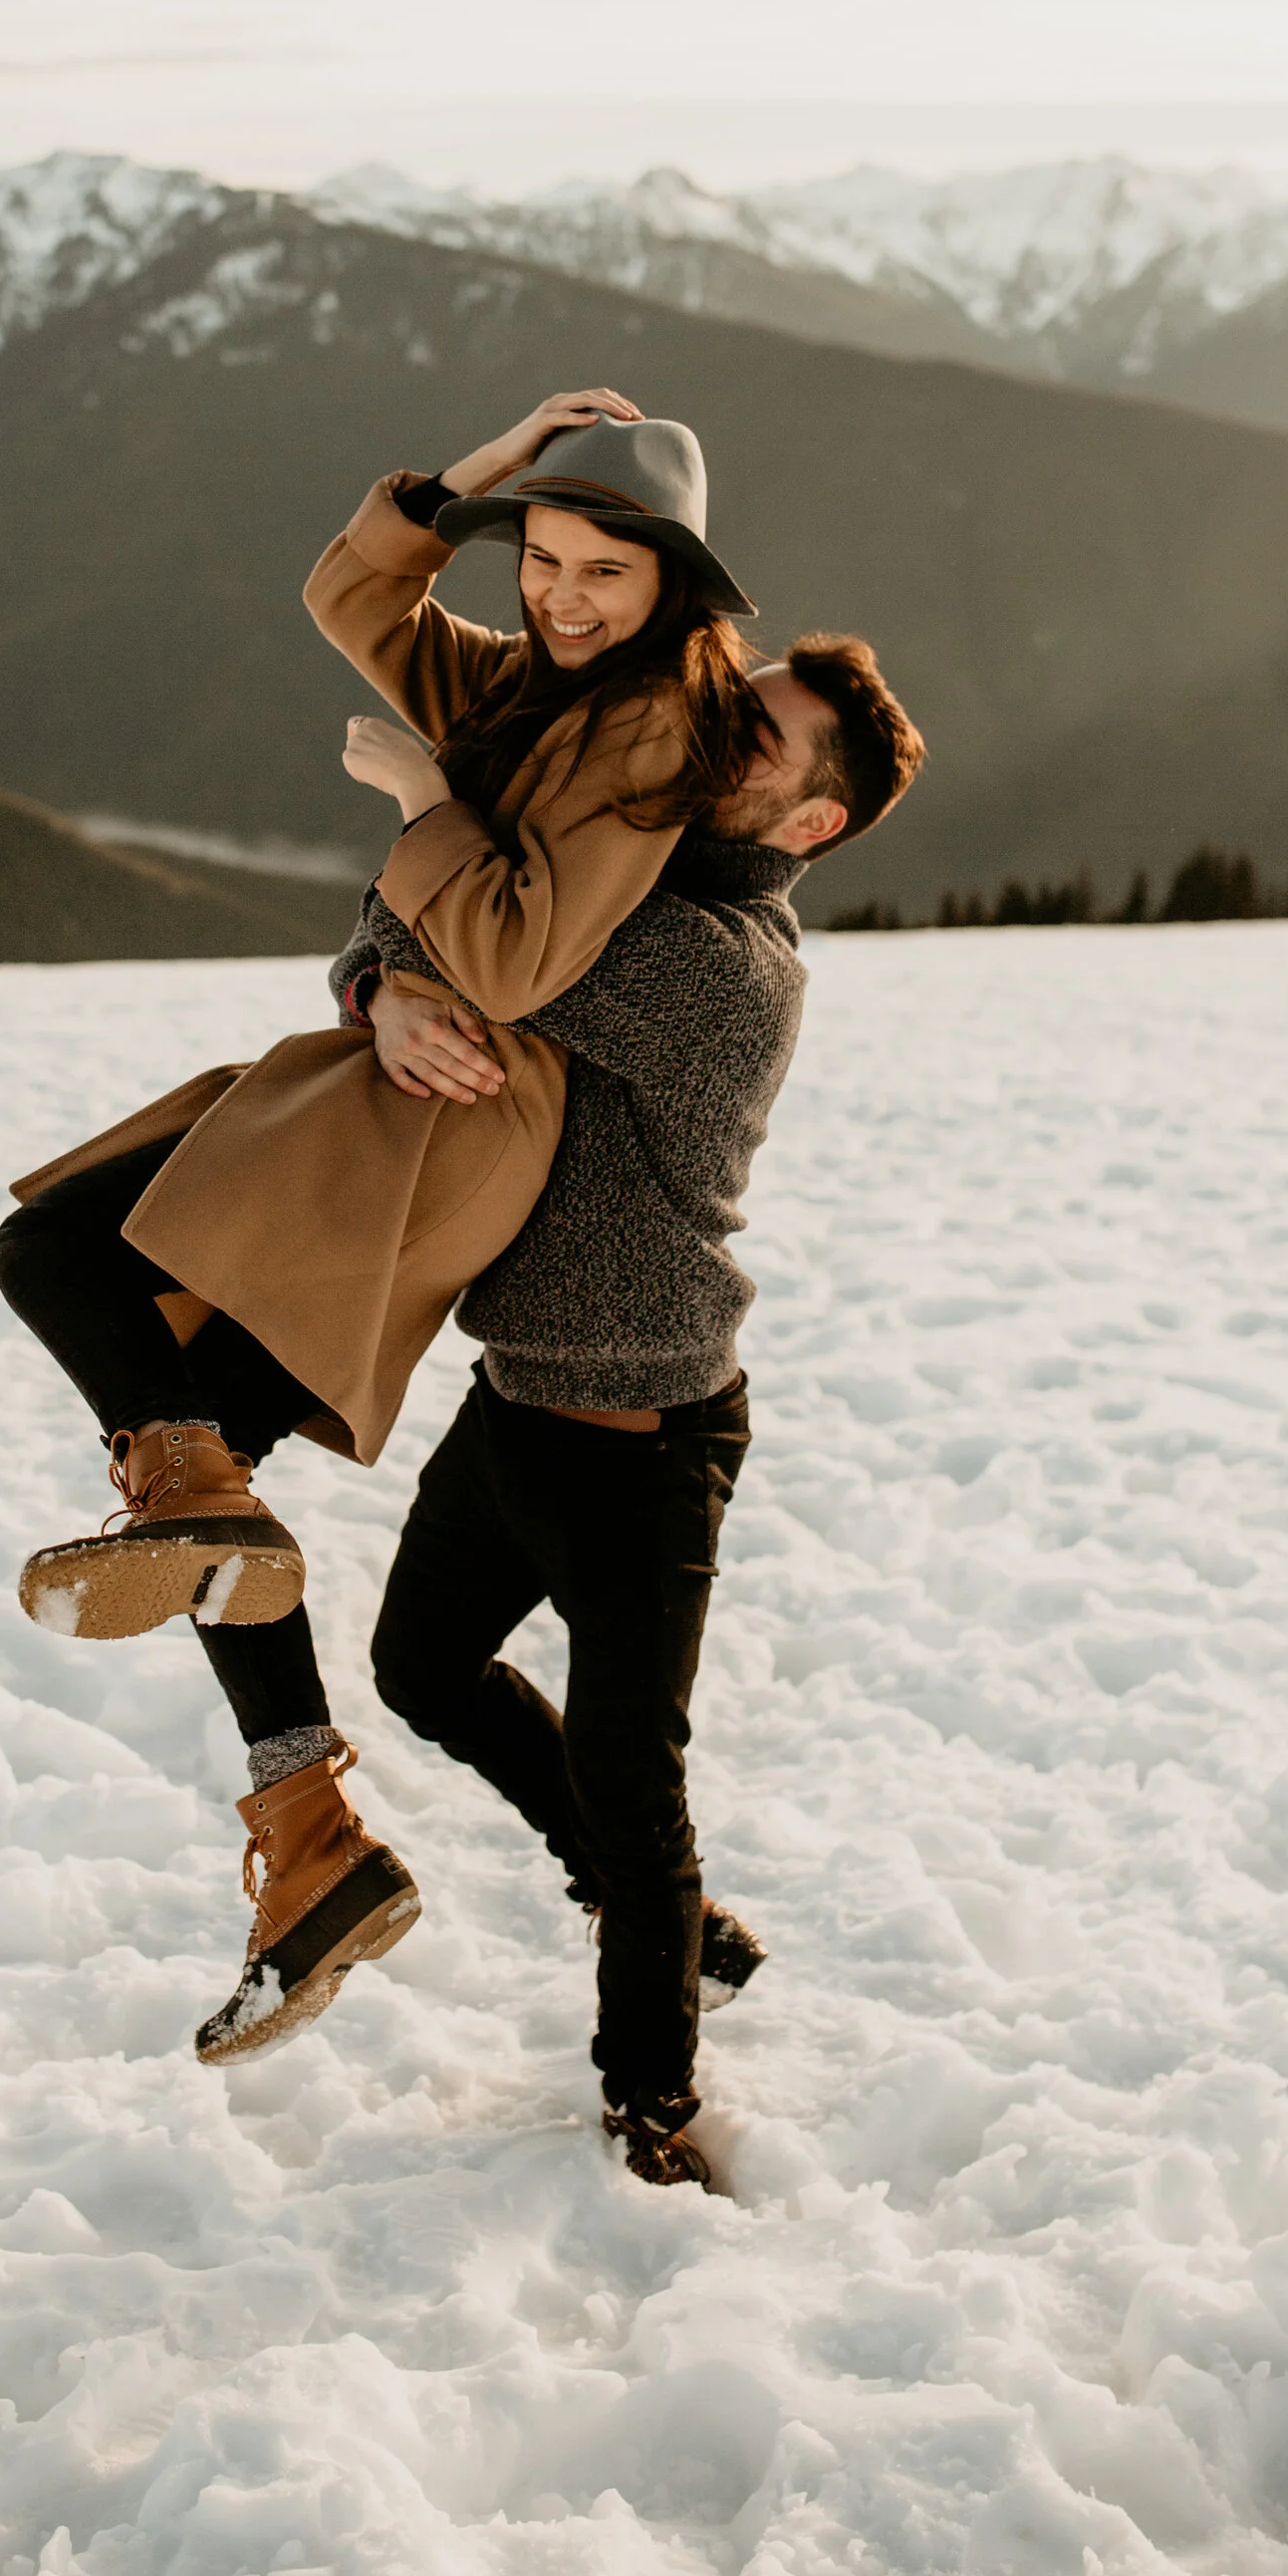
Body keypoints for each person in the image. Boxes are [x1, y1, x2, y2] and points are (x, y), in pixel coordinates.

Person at [341, 632, 922, 2185]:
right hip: (519, 1392)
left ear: (812, 822)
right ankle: (634, 1894)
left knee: (634, 1791)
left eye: (759, 740)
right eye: (732, 702)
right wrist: (381, 993)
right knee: (418, 1665)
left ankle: (652, 2100)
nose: (717, 734)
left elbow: (499, 940)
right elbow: (427, 927)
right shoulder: (621, 866)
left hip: (645, 1440)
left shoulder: (729, 971)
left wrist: (435, 804)